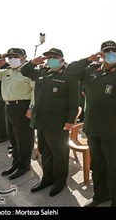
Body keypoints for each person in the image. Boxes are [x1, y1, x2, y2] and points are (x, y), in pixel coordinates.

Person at [65, 40, 116, 207]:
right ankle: (100, 196)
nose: (112, 54)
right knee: (97, 165)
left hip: (113, 130)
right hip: (92, 127)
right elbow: (69, 72)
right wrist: (88, 59)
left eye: (114, 51)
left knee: (115, 167)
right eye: (108, 51)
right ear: (101, 54)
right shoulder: (90, 70)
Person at [21, 48, 80, 197]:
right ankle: (47, 178)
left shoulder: (69, 75)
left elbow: (74, 101)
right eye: (48, 57)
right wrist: (33, 62)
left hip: (58, 123)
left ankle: (60, 182)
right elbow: (25, 71)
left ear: (61, 59)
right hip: (41, 121)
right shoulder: (42, 72)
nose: (49, 60)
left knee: (59, 154)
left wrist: (70, 121)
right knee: (45, 151)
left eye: (53, 57)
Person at [0, 48, 35, 179]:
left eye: (15, 56)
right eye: (9, 57)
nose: (12, 59)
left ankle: (24, 165)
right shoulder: (7, 71)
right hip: (8, 106)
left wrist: (31, 108)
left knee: (23, 139)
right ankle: (16, 162)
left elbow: (35, 91)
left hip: (23, 107)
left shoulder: (28, 71)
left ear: (24, 57)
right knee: (13, 138)